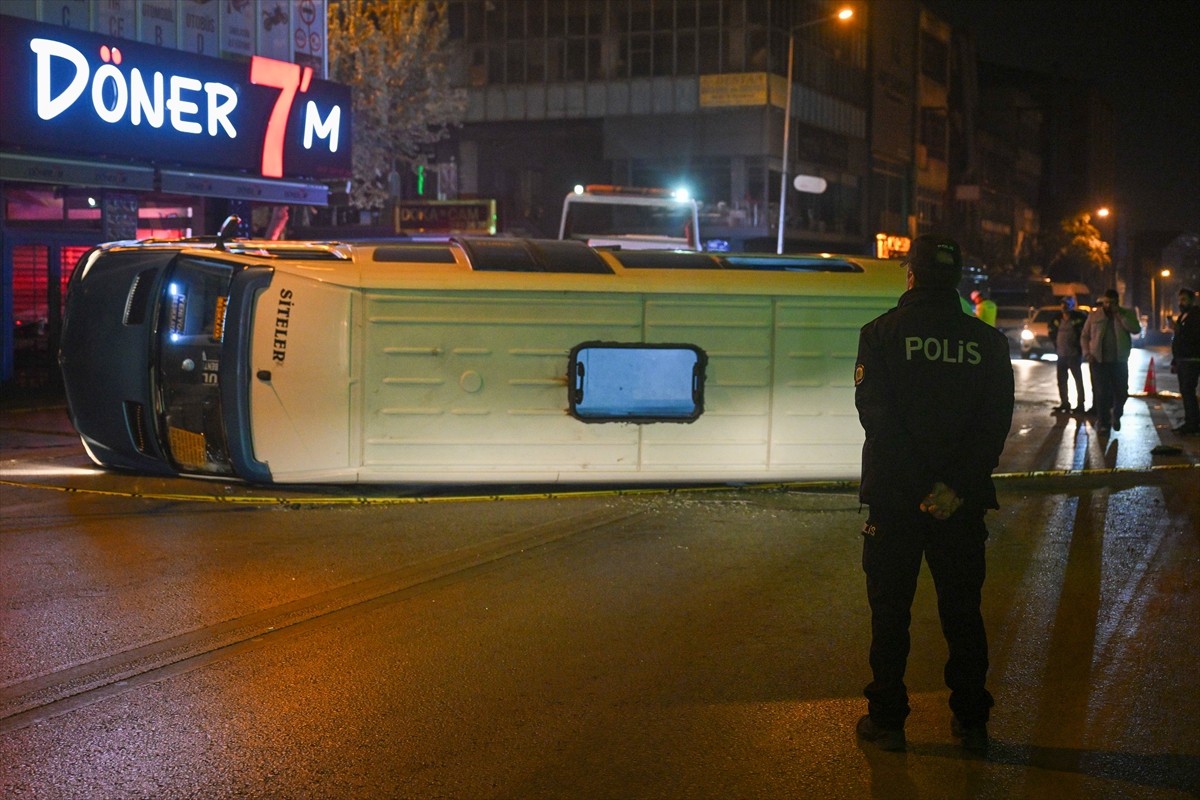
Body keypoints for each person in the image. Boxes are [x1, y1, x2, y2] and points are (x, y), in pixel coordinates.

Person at [852, 234, 1014, 754]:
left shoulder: (879, 335)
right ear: (958, 280)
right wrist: (954, 489)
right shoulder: (987, 343)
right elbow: (994, 427)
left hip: (895, 502)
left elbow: (879, 421)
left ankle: (888, 720)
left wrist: (920, 486)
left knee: (890, 613)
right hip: (960, 506)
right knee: (963, 613)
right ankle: (971, 721)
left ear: (911, 275)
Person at [1079, 288, 1141, 434]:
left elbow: (1135, 330)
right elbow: (1084, 336)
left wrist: (1119, 314)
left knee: (1122, 392)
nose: (1107, 305)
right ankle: (1103, 423)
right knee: (1101, 393)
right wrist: (1087, 353)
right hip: (1098, 361)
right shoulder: (1094, 315)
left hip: (1119, 361)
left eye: (1111, 302)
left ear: (1117, 302)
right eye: (1106, 302)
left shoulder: (1126, 314)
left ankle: (1116, 414)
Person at [1047, 298, 1088, 412]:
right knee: (1061, 380)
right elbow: (1051, 329)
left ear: (1072, 306)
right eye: (1063, 304)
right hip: (1061, 354)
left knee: (1077, 380)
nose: (1064, 307)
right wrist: (1055, 342)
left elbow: (1085, 332)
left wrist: (1079, 346)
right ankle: (1064, 403)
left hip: (1074, 354)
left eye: (1066, 305)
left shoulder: (1079, 318)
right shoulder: (1057, 318)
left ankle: (1080, 404)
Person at [1170, 287, 1200, 434]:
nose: (1180, 302)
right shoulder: (1183, 316)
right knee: (1186, 391)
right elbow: (1178, 340)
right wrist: (1175, 360)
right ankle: (1191, 421)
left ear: (1191, 301)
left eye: (1184, 300)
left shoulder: (1195, 316)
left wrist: (1179, 330)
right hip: (1182, 359)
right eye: (1179, 299)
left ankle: (1193, 423)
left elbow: (1192, 337)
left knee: (1188, 390)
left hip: (1191, 359)